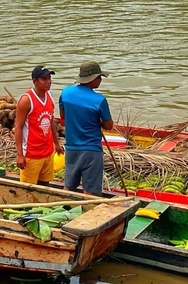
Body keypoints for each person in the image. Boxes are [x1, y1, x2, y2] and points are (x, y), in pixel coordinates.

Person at [58, 61, 114, 195]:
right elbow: (109, 125)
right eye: (99, 77)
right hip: (91, 150)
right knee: (90, 191)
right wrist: (97, 122)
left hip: (71, 148)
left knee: (69, 188)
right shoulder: (99, 100)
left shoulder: (66, 93)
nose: (100, 80)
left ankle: (65, 209)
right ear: (92, 79)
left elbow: (63, 117)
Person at [13, 66, 61, 185]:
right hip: (32, 154)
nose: (48, 82)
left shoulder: (49, 97)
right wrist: (19, 155)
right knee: (28, 190)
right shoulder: (26, 100)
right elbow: (18, 127)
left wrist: (56, 144)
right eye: (44, 79)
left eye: (49, 78)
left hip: (47, 152)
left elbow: (50, 121)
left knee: (45, 185)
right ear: (35, 81)